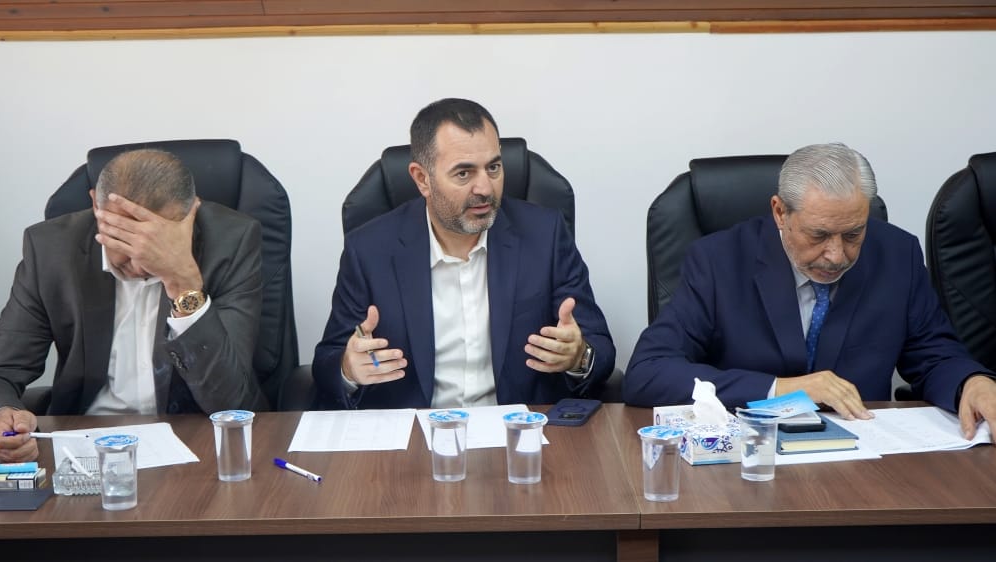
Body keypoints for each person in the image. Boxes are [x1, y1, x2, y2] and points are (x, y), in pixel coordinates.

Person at [624, 142, 996, 438]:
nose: (837, 255)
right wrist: (780, 389)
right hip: (749, 458)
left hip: (864, 458)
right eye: (818, 235)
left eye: (853, 234)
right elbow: (648, 372)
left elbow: (934, 355)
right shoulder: (718, 261)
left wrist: (972, 382)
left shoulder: (898, 255)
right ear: (780, 212)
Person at [313, 98, 615, 409]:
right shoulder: (369, 250)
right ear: (422, 179)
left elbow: (601, 349)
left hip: (517, 427)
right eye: (463, 174)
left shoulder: (544, 235)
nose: (485, 188)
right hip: (415, 430)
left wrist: (579, 356)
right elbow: (327, 363)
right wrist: (349, 368)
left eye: (493, 168)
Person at [0, 148, 267, 463]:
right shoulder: (50, 249)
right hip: (86, 446)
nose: (140, 264)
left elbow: (231, 401)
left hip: (199, 443)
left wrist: (183, 284)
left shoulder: (231, 242)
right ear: (96, 206)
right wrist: (5, 413)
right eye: (123, 237)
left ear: (191, 213)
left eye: (156, 239)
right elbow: (3, 369)